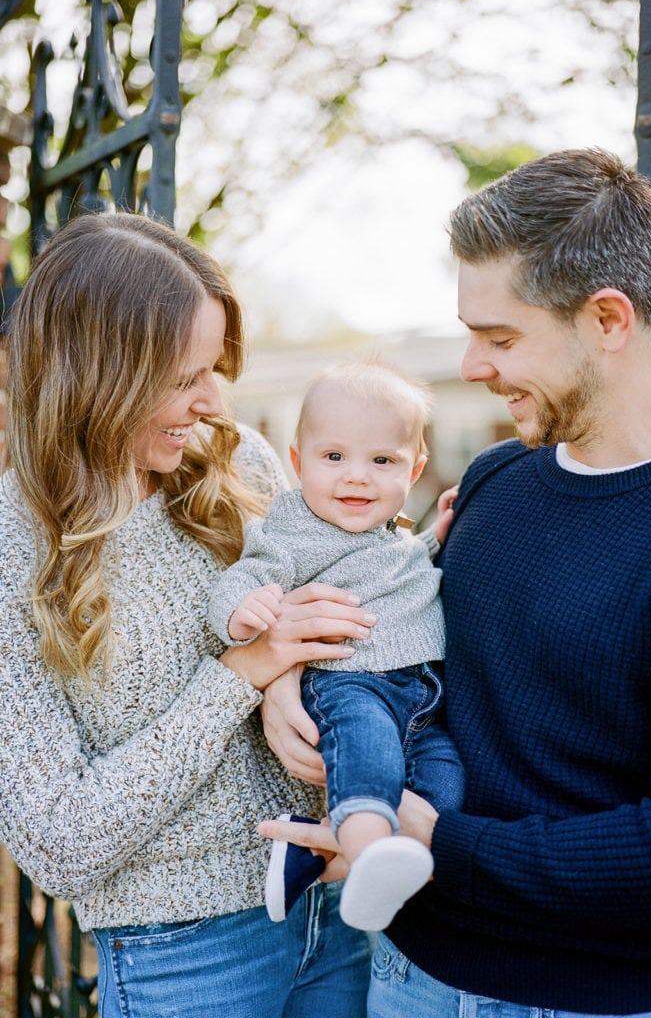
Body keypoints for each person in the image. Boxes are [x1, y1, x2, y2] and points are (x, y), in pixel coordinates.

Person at [258, 147, 651, 1017]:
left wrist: (440, 843)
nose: (474, 364)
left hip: (596, 1000)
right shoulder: (494, 479)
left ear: (607, 319)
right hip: (410, 973)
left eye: (499, 336)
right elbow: (423, 662)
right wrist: (287, 680)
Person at [0, 211, 376, 1018]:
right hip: (184, 956)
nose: (211, 401)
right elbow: (59, 844)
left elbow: (327, 614)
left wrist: (290, 675)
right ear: (96, 374)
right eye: (182, 376)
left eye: (214, 368)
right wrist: (241, 675)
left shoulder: (240, 463)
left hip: (334, 909)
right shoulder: (10, 545)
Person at [208, 361, 463, 932]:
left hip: (421, 697)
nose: (357, 478)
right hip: (350, 682)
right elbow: (246, 576)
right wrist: (240, 612)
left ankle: (318, 859)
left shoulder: (387, 533)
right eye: (334, 458)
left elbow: (397, 572)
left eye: (382, 461)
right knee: (369, 763)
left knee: (444, 783)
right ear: (297, 463)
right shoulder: (292, 529)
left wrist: (434, 540)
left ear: (413, 469)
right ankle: (372, 859)